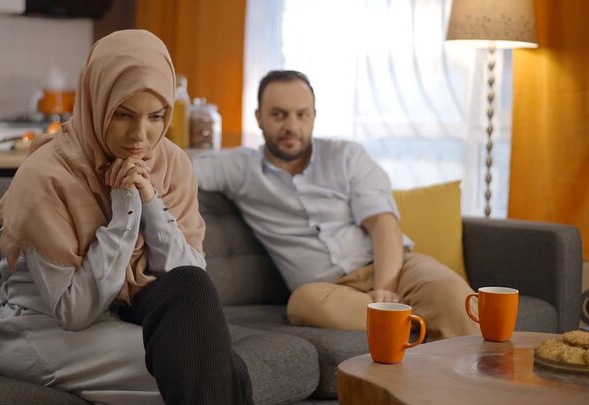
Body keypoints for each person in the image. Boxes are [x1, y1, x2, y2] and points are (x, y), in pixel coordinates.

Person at [0, 30, 253, 405]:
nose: (140, 136)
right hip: (46, 331)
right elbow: (74, 311)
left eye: (156, 116)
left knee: (200, 333)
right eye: (122, 114)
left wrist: (150, 200)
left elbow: (189, 276)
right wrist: (125, 207)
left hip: (119, 317)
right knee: (210, 368)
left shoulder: (171, 163)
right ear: (96, 102)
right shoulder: (47, 175)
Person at [192, 70, 478, 341]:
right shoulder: (239, 168)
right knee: (302, 302)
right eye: (278, 115)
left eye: (302, 114)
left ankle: (407, 325)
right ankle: (420, 325)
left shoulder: (346, 156)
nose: (291, 126)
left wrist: (384, 291)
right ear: (259, 117)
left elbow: (383, 224)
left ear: (314, 116)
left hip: (395, 269)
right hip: (330, 291)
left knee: (453, 296)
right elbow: (180, 168)